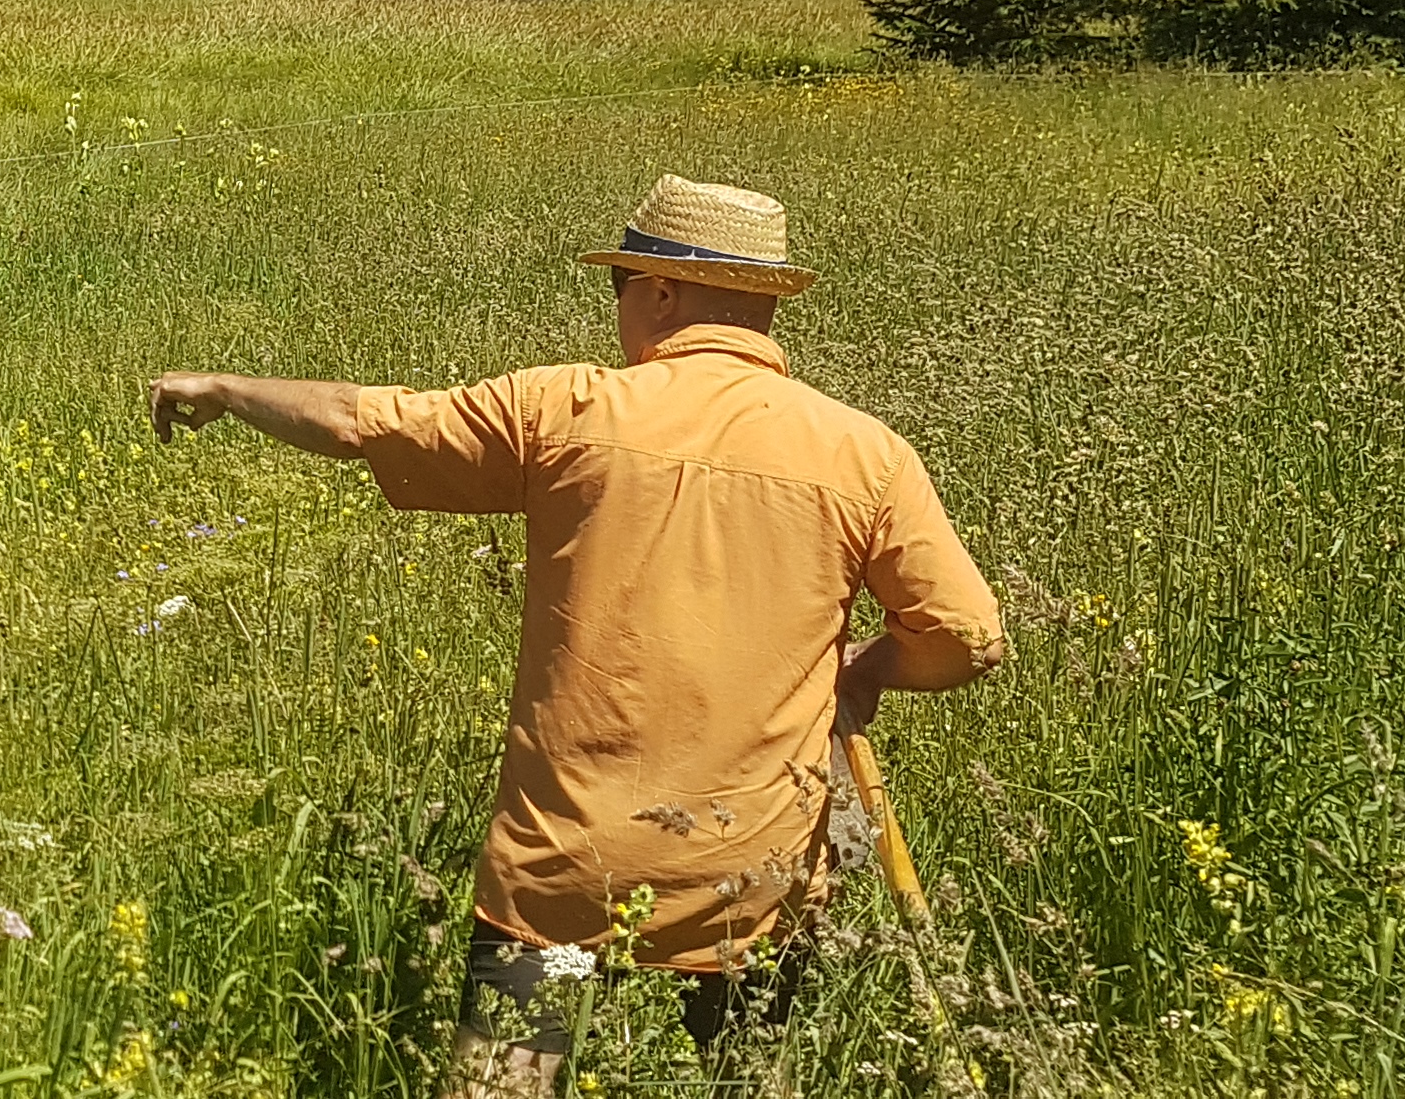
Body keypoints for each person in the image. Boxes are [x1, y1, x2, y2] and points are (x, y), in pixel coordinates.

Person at [146, 176, 1004, 1097]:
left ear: (664, 292)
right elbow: (964, 635)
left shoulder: (568, 411)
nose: (620, 311)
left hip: (561, 880)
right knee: (749, 1076)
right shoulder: (863, 452)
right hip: (751, 885)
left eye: (621, 288)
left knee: (508, 1083)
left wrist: (230, 388)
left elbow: (369, 422)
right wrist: (865, 673)